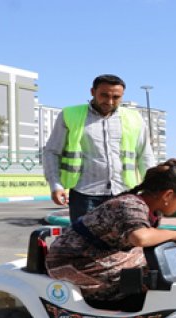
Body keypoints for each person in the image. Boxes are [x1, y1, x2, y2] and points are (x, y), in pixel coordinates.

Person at [45, 159, 176, 310]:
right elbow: (140, 237)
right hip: (74, 260)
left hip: (100, 254)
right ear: (168, 195)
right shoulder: (130, 205)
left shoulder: (152, 210)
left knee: (161, 267)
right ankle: (132, 309)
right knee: (144, 277)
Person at [44, 74, 156, 223]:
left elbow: (145, 155)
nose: (109, 101)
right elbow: (52, 152)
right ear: (92, 91)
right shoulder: (70, 115)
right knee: (84, 242)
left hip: (124, 192)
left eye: (116, 97)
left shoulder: (134, 118)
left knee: (125, 242)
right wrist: (56, 186)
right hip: (85, 195)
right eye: (104, 95)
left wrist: (152, 188)